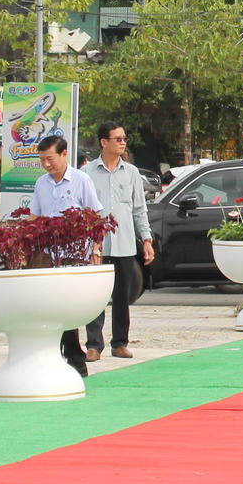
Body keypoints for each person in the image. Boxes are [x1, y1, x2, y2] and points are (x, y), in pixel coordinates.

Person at [31, 134, 104, 376]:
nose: (46, 165)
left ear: (64, 154)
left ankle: (74, 355)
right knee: (51, 307)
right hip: (48, 255)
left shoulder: (81, 180)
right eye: (42, 160)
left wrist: (96, 247)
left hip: (75, 254)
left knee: (69, 306)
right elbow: (35, 217)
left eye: (50, 159)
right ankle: (66, 354)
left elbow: (95, 216)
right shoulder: (41, 183)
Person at [83, 122, 155, 361]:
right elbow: (82, 210)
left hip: (124, 243)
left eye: (124, 138)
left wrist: (146, 239)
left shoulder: (132, 173)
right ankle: (94, 345)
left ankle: (120, 343)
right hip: (96, 246)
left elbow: (139, 209)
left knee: (122, 296)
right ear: (104, 142)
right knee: (95, 297)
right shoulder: (87, 173)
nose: (123, 142)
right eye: (118, 139)